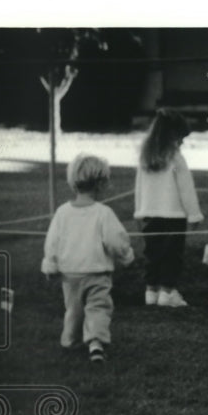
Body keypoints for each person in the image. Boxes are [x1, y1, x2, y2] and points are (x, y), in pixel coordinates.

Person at [41, 153, 134, 363]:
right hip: (97, 272)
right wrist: (127, 256)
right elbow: (116, 240)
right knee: (98, 307)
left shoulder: (62, 213)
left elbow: (52, 242)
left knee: (73, 308)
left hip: (70, 273)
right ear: (101, 184)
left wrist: (50, 264)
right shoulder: (103, 213)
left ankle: (70, 340)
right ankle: (96, 342)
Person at [134, 107, 204, 308]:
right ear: (172, 136)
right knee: (172, 255)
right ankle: (167, 291)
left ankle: (151, 290)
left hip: (149, 214)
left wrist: (139, 212)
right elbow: (186, 189)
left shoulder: (145, 157)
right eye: (180, 138)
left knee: (152, 253)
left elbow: (138, 188)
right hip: (173, 215)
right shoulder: (176, 158)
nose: (182, 143)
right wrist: (194, 215)